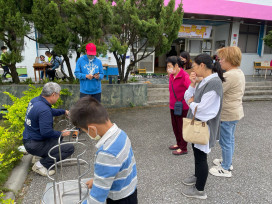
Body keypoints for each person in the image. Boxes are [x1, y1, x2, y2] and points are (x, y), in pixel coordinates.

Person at [69, 96, 138, 204]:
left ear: (92, 129)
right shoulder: (120, 133)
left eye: (85, 131)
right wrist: (98, 182)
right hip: (130, 189)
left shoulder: (106, 153)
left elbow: (96, 199)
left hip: (119, 199)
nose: (88, 135)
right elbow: (114, 170)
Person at [182, 53, 225, 199]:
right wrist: (193, 85)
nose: (192, 68)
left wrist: (191, 103)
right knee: (197, 152)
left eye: (194, 65)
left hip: (204, 126)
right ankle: (197, 176)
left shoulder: (214, 83)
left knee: (201, 157)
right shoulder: (204, 80)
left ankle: (200, 190)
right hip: (199, 125)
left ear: (202, 65)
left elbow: (205, 110)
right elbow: (188, 96)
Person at [22, 82, 74, 176]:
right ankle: (41, 165)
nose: (59, 97)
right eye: (59, 95)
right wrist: (61, 133)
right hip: (35, 144)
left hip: (29, 139)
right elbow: (46, 132)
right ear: (53, 94)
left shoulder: (35, 101)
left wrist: (63, 111)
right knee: (69, 148)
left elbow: (49, 111)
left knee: (57, 139)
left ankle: (39, 156)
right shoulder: (44, 110)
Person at [209, 46, 245, 178]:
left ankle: (225, 168)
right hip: (234, 112)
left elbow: (217, 91)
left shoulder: (230, 75)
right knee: (230, 139)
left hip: (228, 113)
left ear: (230, 59)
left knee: (226, 141)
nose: (219, 61)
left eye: (222, 59)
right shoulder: (238, 72)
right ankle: (227, 162)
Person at [167, 56, 191, 155]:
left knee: (182, 128)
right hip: (173, 106)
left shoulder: (184, 76)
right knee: (175, 127)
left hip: (183, 107)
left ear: (176, 65)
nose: (168, 68)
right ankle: (178, 143)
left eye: (169, 66)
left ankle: (184, 148)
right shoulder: (172, 76)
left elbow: (191, 90)